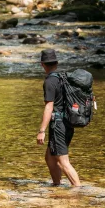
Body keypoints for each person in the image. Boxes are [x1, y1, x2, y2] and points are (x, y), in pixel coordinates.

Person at [36, 49, 81, 186]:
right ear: (56, 63)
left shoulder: (50, 82)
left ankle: (79, 190)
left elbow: (49, 107)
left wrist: (42, 131)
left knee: (63, 161)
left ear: (42, 64)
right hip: (68, 122)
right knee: (50, 157)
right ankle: (57, 185)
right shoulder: (64, 78)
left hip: (58, 125)